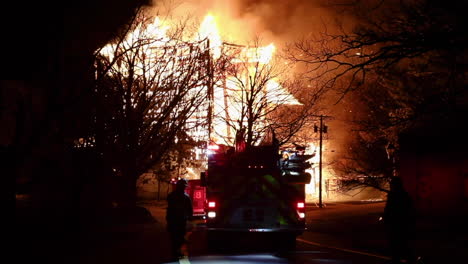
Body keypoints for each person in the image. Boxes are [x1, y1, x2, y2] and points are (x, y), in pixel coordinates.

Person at [383, 177, 417, 263]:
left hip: (399, 224)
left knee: (400, 245)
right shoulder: (401, 195)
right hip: (398, 224)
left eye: (392, 184)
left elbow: (390, 210)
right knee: (400, 245)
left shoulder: (397, 196)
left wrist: (387, 219)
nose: (391, 186)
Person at [166, 178, 193, 259]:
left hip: (175, 220)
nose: (183, 188)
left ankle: (175, 253)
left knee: (176, 238)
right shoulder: (185, 197)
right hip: (179, 220)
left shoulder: (171, 196)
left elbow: (169, 209)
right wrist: (190, 218)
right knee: (178, 238)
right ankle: (177, 253)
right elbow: (190, 210)